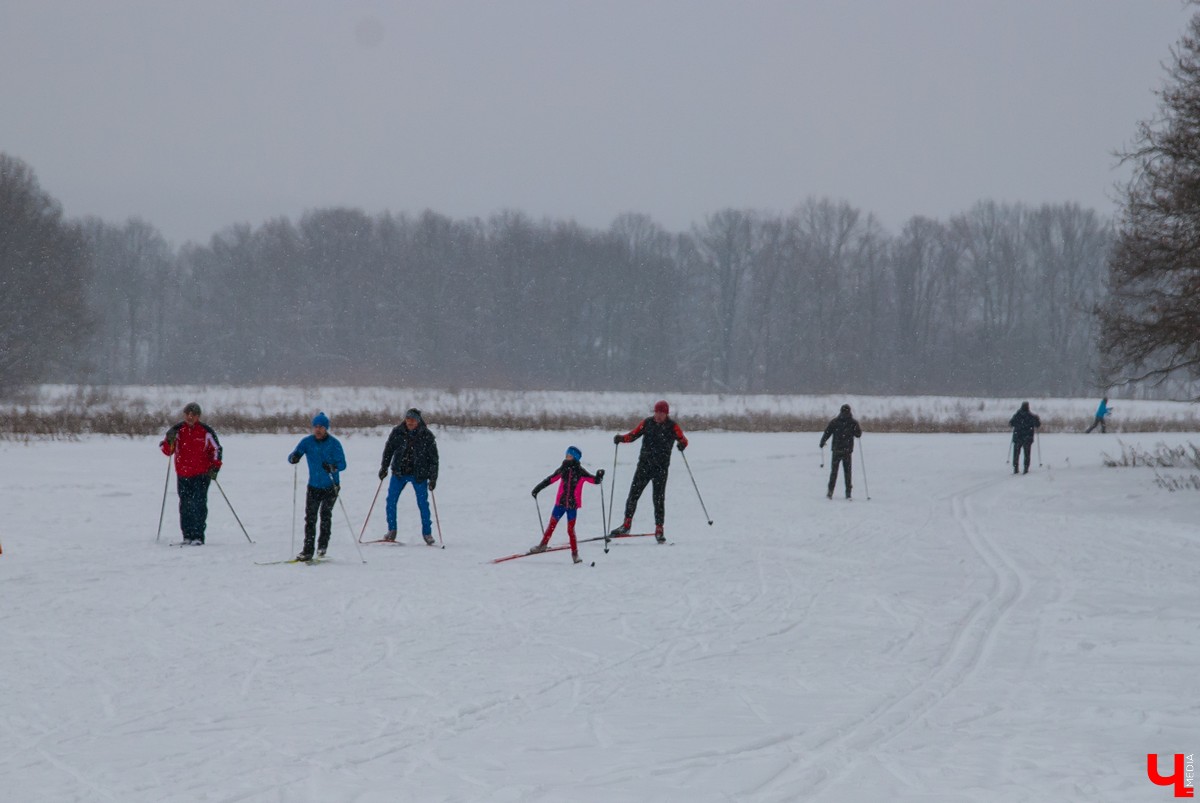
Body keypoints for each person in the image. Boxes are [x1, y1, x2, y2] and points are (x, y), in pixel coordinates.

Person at [610, 400, 688, 543]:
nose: (658, 415)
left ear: (666, 414)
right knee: (633, 494)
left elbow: (684, 440)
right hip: (644, 466)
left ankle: (659, 528)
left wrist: (682, 445)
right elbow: (632, 435)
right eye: (656, 412)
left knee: (658, 499)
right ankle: (626, 525)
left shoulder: (672, 427)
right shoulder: (647, 423)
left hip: (661, 469)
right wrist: (621, 439)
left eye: (661, 413)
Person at [159, 402, 222, 545]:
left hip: (201, 474)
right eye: (187, 414)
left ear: (198, 416)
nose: (190, 417)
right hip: (183, 474)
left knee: (199, 505)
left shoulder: (206, 431)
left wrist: (215, 467)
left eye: (193, 415)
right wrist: (169, 440)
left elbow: (217, 450)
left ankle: (198, 536)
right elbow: (167, 451)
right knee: (185, 505)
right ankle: (187, 536)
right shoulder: (177, 430)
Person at [529, 446, 604, 563]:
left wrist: (599, 476)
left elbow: (594, 480)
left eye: (569, 455)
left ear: (575, 457)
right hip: (560, 504)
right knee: (551, 526)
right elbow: (550, 479)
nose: (567, 457)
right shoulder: (563, 469)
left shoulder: (580, 471)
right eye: (566, 455)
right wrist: (537, 489)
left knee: (570, 530)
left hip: (572, 506)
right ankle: (542, 545)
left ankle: (575, 554)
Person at [287, 412, 347, 561]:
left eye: (321, 427)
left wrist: (332, 467)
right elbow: (294, 455)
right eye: (316, 427)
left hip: (331, 486)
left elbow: (343, 464)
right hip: (313, 486)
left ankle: (322, 546)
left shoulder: (334, 443)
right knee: (310, 518)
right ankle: (307, 550)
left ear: (326, 428)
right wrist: (294, 458)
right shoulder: (307, 442)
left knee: (325, 516)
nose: (318, 430)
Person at [377, 408, 440, 546]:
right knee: (391, 501)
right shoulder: (397, 432)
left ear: (418, 420)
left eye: (412, 419)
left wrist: (433, 478)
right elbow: (388, 450)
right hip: (399, 472)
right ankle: (392, 530)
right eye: (407, 419)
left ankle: (427, 533)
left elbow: (434, 459)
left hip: (419, 474)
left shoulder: (427, 435)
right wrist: (384, 467)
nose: (410, 422)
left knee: (423, 504)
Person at [819, 404, 862, 500]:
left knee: (834, 472)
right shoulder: (853, 422)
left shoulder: (835, 422)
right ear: (849, 411)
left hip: (836, 450)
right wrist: (856, 429)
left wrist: (822, 442)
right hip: (847, 451)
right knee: (847, 473)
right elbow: (858, 434)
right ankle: (848, 493)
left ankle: (830, 492)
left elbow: (827, 432)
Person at [1009, 401, 1042, 474]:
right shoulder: (1031, 416)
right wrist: (1037, 419)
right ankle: (1026, 468)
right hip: (1027, 438)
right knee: (1027, 454)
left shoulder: (1017, 415)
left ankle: (1015, 468)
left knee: (1016, 453)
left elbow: (1011, 423)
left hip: (1017, 437)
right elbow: (1038, 425)